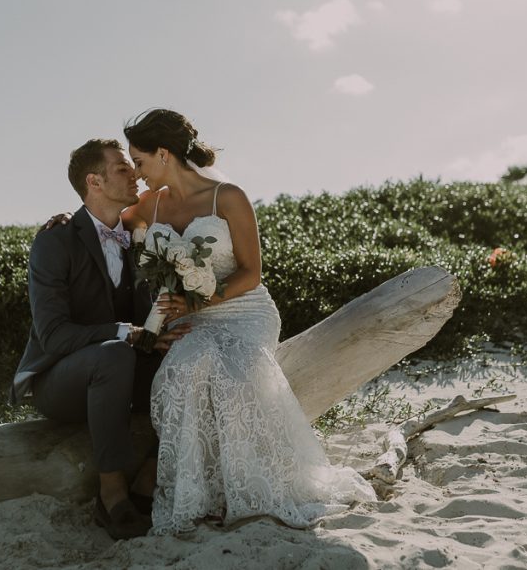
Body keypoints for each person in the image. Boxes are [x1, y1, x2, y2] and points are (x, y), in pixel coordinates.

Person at [120, 108, 378, 535]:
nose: (138, 173)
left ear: (164, 154)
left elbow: (250, 273)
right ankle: (196, 492)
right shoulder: (153, 203)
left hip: (244, 310)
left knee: (231, 376)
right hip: (193, 319)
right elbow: (111, 220)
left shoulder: (228, 196)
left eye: (141, 162)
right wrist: (66, 220)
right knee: (185, 367)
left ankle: (236, 490)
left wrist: (201, 303)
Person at [10, 138, 189, 540]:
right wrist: (127, 334)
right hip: (60, 380)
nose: (134, 175)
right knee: (113, 354)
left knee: (194, 359)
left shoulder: (137, 234)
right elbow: (53, 336)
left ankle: (149, 476)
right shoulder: (55, 240)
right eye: (123, 168)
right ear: (94, 181)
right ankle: (111, 495)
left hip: (122, 370)